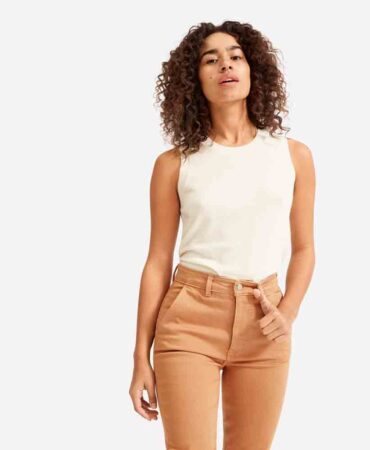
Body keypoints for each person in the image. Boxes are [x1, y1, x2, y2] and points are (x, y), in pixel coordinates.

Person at [129, 20, 316, 449]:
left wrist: (287, 312)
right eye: (210, 60)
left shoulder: (294, 157)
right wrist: (140, 354)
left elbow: (305, 248)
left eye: (235, 56)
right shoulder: (174, 164)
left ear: (253, 70)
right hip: (189, 318)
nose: (225, 66)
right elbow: (157, 260)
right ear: (194, 80)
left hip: (264, 319)